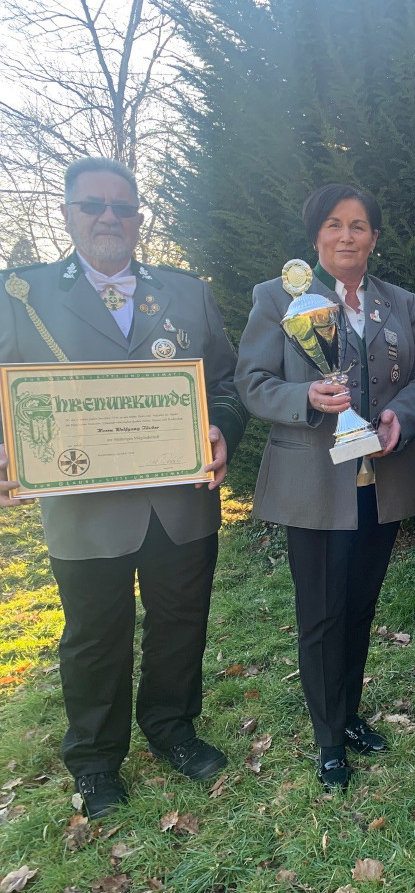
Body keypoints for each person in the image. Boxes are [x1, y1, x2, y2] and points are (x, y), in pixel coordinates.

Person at [0, 157, 248, 818]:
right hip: (85, 509)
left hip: (180, 504)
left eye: (124, 207)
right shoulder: (19, 293)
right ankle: (95, 760)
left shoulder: (187, 292)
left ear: (139, 218)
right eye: (94, 205)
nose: (110, 217)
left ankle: (171, 729)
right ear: (68, 213)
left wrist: (223, 428)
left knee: (179, 625)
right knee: (93, 635)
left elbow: (224, 382)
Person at [235, 183, 415, 790]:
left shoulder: (400, 302)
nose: (347, 236)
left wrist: (405, 412)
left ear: (374, 236)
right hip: (314, 481)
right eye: (334, 225)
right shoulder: (279, 297)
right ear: (316, 234)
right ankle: (327, 740)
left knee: (360, 608)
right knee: (321, 613)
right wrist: (306, 396)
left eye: (359, 226)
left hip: (382, 476)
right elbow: (252, 381)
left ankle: (348, 716)